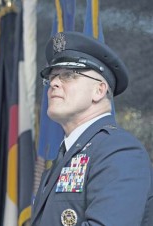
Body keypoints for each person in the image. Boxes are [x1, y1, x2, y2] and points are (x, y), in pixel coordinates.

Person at [31, 31, 153, 226]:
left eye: (68, 75)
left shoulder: (119, 150)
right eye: (52, 77)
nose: (53, 83)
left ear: (99, 90)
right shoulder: (65, 156)